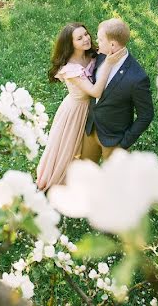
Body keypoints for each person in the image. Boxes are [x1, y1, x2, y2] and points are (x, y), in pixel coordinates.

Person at [35, 22, 126, 191]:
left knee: (83, 149)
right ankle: (54, 182)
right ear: (71, 44)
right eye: (79, 38)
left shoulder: (91, 55)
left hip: (90, 110)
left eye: (86, 34)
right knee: (67, 148)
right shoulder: (71, 68)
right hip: (75, 111)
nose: (86, 39)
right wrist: (108, 63)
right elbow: (95, 92)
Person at [81, 18, 153, 163]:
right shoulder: (101, 56)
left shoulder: (137, 78)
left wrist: (124, 143)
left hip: (114, 141)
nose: (97, 42)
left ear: (112, 45)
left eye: (100, 39)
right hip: (91, 130)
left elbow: (146, 115)